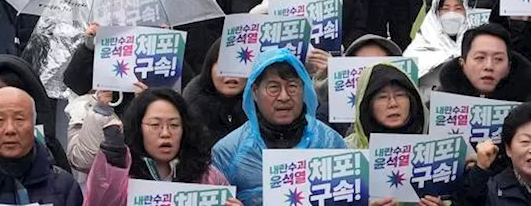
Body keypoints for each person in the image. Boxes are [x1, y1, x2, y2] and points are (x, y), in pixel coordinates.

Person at [211, 50, 345, 206]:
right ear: (254, 92)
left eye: (292, 86)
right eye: (273, 88)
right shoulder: (229, 151)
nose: (284, 97)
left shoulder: (331, 143)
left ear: (304, 89)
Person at [81, 89, 240, 206]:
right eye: (155, 125)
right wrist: (113, 161)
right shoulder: (118, 176)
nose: (165, 133)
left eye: (174, 125)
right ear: (138, 128)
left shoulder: (209, 177)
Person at [436, 19, 531, 115]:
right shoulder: (440, 106)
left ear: (509, 66)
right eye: (480, 58)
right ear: (462, 64)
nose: (489, 66)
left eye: (498, 59)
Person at [404, 0, 474, 98]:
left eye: (458, 8)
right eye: (446, 9)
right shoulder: (417, 48)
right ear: (435, 13)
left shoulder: (476, 46)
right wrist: (434, 93)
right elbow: (407, 90)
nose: (452, 14)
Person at [181, 39, 247, 149]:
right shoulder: (193, 103)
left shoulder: (264, 103)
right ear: (209, 68)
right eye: (223, 66)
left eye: (238, 66)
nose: (231, 74)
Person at [343, 63, 426, 149]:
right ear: (367, 105)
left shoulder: (432, 146)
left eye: (399, 95)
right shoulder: (346, 149)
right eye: (382, 97)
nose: (393, 104)